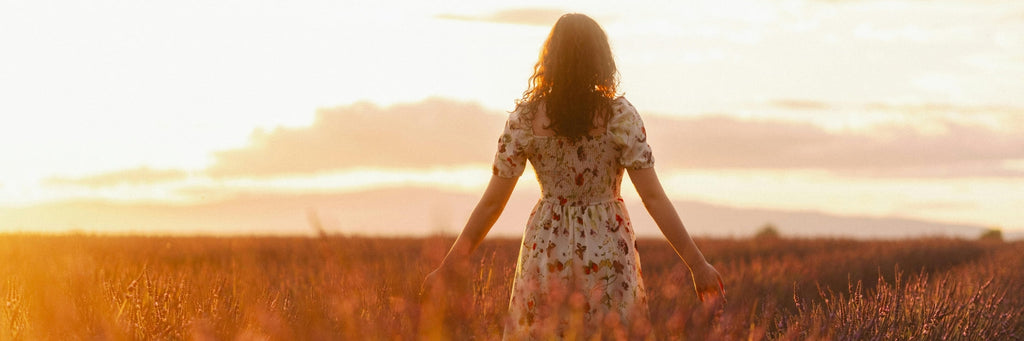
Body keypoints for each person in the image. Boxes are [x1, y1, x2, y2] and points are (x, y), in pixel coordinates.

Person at [422, 13, 724, 339]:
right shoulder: (620, 116)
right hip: (608, 250)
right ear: (601, 59)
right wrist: (697, 264)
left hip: (545, 249)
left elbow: (492, 203)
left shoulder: (525, 120)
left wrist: (449, 266)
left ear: (549, 59)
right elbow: (653, 198)